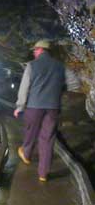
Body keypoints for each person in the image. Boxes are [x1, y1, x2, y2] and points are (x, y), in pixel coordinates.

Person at [13, 39, 80, 182]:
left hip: (34, 106)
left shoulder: (31, 66)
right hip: (53, 107)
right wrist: (59, 91)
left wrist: (20, 106)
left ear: (40, 50)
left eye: (35, 50)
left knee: (30, 131)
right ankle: (43, 173)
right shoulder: (60, 67)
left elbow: (24, 88)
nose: (34, 53)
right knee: (48, 138)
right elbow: (75, 83)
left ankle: (26, 153)